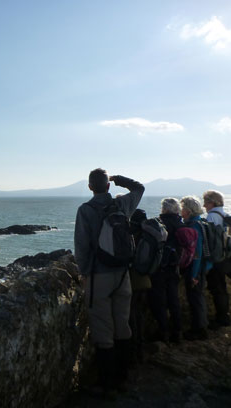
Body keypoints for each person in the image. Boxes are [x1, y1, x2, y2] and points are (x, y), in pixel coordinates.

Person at [74, 168, 144, 397]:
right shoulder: (122, 206)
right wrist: (120, 179)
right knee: (122, 324)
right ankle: (123, 379)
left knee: (103, 329)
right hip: (122, 274)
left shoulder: (86, 210)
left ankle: (107, 384)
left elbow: (82, 247)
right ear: (108, 186)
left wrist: (84, 274)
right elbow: (139, 188)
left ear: (90, 187)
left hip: (99, 275)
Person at [148, 198, 183, 344]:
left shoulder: (159, 224)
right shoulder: (181, 225)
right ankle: (177, 332)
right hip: (174, 267)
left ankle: (163, 332)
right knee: (174, 300)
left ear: (164, 209)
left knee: (159, 302)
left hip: (159, 268)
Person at [180, 196, 211, 341]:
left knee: (195, 299)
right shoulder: (201, 223)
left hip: (196, 269)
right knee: (198, 298)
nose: (181, 211)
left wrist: (193, 275)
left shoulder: (194, 226)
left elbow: (196, 253)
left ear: (188, 210)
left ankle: (199, 330)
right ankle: (201, 327)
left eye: (183, 208)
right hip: (203, 267)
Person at [202, 190, 230, 328]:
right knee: (222, 288)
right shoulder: (224, 214)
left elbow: (209, 240)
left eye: (206, 202)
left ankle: (221, 318)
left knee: (216, 288)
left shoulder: (212, 216)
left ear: (212, 202)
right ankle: (225, 315)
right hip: (224, 256)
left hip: (215, 258)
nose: (204, 205)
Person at [127, 209, 151, 363]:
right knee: (139, 315)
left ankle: (134, 353)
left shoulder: (133, 235)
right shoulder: (148, 234)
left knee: (131, 317)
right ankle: (140, 349)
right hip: (146, 280)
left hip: (133, 282)